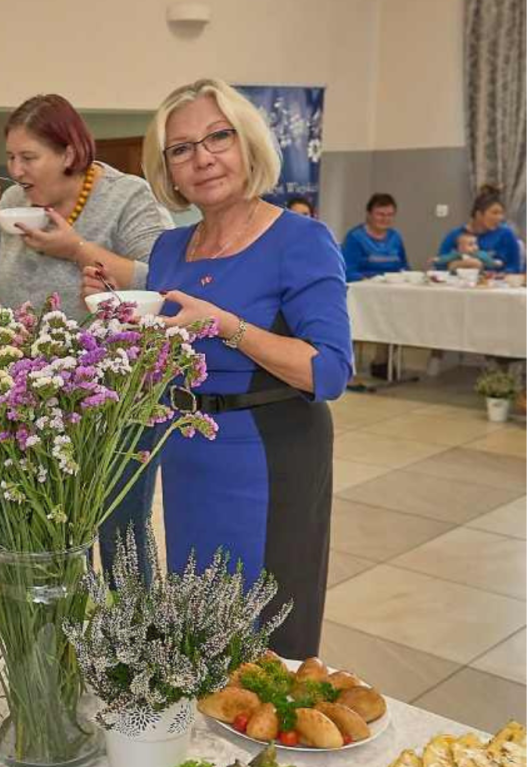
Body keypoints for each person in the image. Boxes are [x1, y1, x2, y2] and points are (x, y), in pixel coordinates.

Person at [84, 79, 352, 658]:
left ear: (248, 143)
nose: (202, 158)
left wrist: (226, 326)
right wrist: (120, 322)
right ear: (169, 171)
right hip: (187, 454)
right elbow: (164, 356)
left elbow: (328, 371)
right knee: (195, 628)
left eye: (218, 137)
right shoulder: (168, 251)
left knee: (264, 639)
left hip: (271, 457)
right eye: (180, 149)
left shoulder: (301, 240)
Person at [0, 93, 173, 580]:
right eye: (11, 157)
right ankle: (63, 644)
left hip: (116, 398)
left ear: (68, 153)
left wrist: (77, 250)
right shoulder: (11, 204)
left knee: (118, 532)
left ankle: (129, 644)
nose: (17, 170)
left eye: (30, 157)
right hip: (31, 398)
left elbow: (165, 277)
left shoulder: (124, 196)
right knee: (45, 533)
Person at [437, 185, 522, 273]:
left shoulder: (506, 234)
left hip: (496, 284)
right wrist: (459, 264)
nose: (500, 218)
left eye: (501, 213)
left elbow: (515, 267)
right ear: (479, 214)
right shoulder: (455, 234)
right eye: (495, 213)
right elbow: (439, 266)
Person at [341, 193, 408, 282]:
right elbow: (348, 272)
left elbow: (404, 267)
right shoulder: (355, 238)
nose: (385, 219)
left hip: (394, 288)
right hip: (366, 289)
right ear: (369, 214)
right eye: (380, 214)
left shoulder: (395, 237)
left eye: (390, 215)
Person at [432, 231, 502, 272]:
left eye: (475, 243)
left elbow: (487, 260)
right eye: (470, 244)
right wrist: (438, 259)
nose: (475, 246)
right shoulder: (457, 254)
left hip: (476, 277)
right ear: (461, 248)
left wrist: (494, 263)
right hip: (458, 276)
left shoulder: (480, 254)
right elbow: (446, 258)